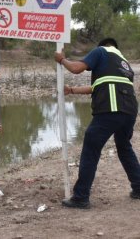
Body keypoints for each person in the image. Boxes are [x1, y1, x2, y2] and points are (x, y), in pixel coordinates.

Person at [54, 37, 140, 209]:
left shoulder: (101, 51)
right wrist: (73, 90)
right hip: (129, 110)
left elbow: (77, 68)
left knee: (91, 147)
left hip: (111, 107)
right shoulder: (123, 62)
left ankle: (81, 197)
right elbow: (98, 87)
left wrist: (61, 59)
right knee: (124, 147)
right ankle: (138, 187)